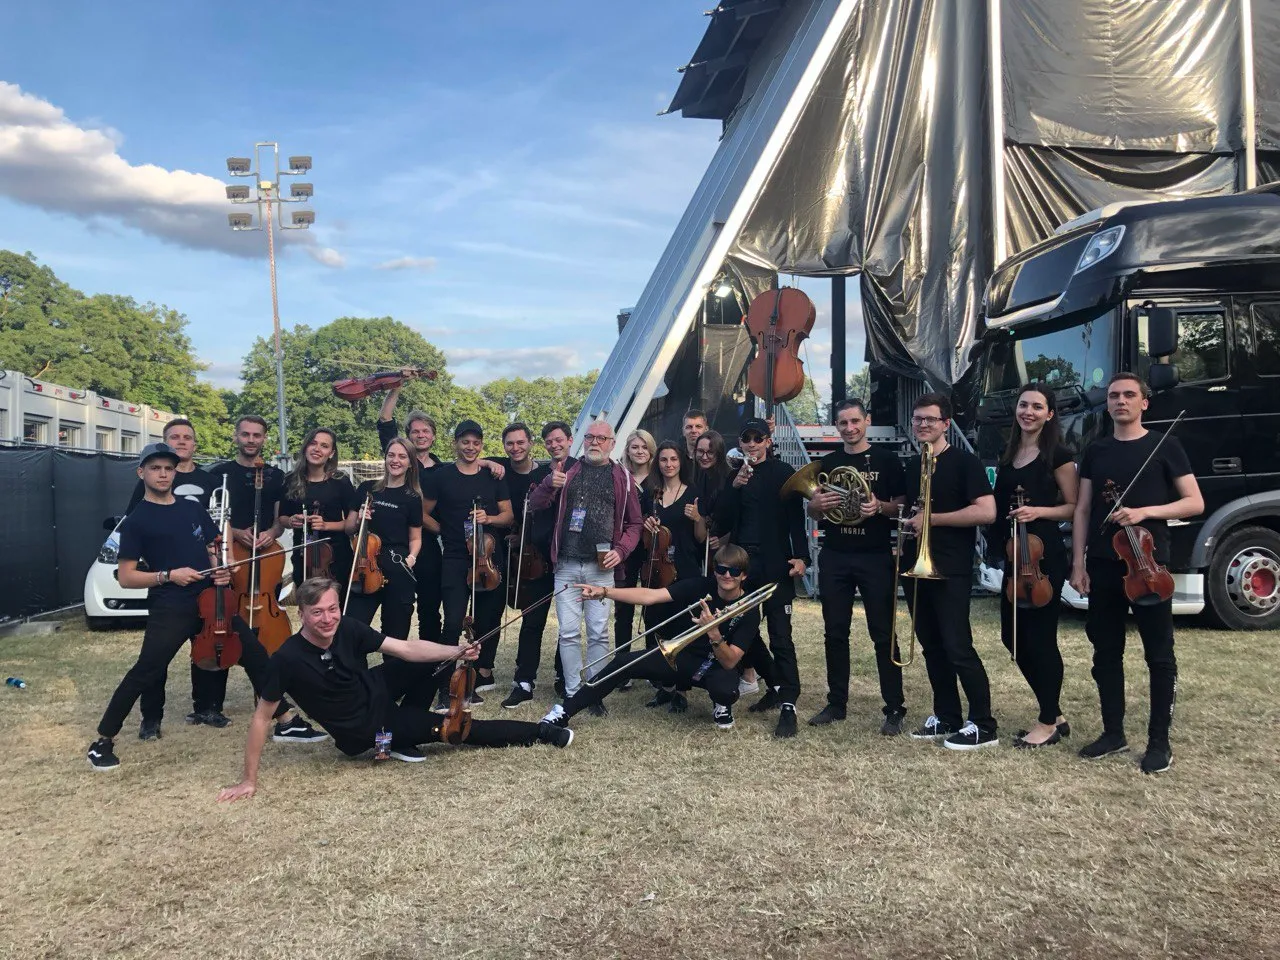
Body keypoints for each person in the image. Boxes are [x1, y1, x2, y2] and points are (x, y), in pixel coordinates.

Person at [215, 577, 573, 800]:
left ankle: (409, 726)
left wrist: (455, 651)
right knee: (459, 728)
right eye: (317, 612)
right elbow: (261, 719)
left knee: (431, 659)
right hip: (366, 727)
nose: (327, 619)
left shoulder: (347, 627)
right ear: (302, 614)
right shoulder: (287, 658)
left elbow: (404, 648)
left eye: (332, 609)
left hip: (372, 688)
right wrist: (248, 780)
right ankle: (542, 732)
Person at [87, 444, 322, 772]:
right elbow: (126, 577)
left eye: (168, 468)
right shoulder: (136, 520)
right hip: (172, 604)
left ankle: (286, 721)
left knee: (256, 655)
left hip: (212, 601)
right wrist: (168, 575)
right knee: (147, 670)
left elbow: (212, 545)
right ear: (141, 473)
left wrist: (220, 570)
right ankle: (103, 741)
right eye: (155, 468)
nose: (163, 474)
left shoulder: (191, 508)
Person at [1071, 372, 1202, 774]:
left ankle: (1159, 742)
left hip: (1148, 565)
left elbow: (1194, 502)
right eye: (1114, 395)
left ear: (1144, 402)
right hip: (1103, 564)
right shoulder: (1096, 450)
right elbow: (1083, 509)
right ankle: (1113, 733)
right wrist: (1078, 562)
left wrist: (1145, 512)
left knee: (1158, 655)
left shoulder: (1166, 445)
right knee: (1105, 652)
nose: (1120, 401)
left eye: (1129, 395)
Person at [541, 544, 762, 732]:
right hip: (683, 656)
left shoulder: (749, 610)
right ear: (715, 570)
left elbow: (730, 661)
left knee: (726, 691)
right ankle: (564, 712)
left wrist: (713, 632)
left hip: (717, 665)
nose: (727, 575)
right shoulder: (701, 586)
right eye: (722, 569)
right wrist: (605, 592)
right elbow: (651, 596)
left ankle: (721, 705)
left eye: (734, 571)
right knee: (622, 663)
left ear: (744, 575)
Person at [899, 392, 998, 751]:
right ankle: (947, 716)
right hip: (918, 566)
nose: (923, 424)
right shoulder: (915, 464)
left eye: (930, 419)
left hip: (951, 567)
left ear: (945, 423)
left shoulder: (964, 462)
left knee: (958, 647)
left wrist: (932, 519)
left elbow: (987, 511)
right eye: (918, 418)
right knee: (932, 646)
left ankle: (984, 724)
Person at [805, 399, 909, 735]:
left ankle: (894, 707)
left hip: (875, 555)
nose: (849, 428)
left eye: (855, 421)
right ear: (836, 426)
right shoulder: (828, 463)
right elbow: (815, 511)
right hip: (835, 554)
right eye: (843, 423)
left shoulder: (887, 459)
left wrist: (879, 507)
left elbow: (901, 506)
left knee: (883, 633)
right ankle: (836, 703)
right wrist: (815, 505)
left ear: (867, 420)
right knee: (835, 632)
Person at [529, 419, 642, 711]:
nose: (595, 442)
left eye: (601, 438)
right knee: (568, 633)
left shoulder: (623, 477)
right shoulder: (566, 470)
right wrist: (548, 485)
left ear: (612, 444)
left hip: (601, 568)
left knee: (598, 633)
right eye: (590, 437)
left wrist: (622, 550)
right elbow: (534, 505)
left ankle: (594, 693)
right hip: (566, 564)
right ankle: (572, 692)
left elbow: (635, 524)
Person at [377, 391, 505, 644]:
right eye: (415, 431)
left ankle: (431, 660)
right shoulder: (399, 460)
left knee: (430, 607)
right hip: (397, 544)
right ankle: (397, 659)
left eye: (426, 431)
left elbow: (467, 462)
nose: (421, 435)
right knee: (397, 608)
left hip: (430, 546)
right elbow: (385, 421)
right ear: (407, 436)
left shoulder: (441, 470)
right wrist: (396, 388)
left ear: (434, 436)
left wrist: (487, 463)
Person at [991, 384, 1078, 748]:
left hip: (1043, 556)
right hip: (1015, 554)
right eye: (1023, 405)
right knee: (1011, 637)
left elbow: (1074, 506)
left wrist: (1037, 511)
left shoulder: (1058, 454)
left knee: (1041, 640)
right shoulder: (1009, 452)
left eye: (1037, 407)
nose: (1028, 411)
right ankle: (1055, 714)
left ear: (1049, 414)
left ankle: (1046, 722)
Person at [124, 418, 220, 738]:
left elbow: (215, 531)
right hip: (169, 586)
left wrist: (218, 562)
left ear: (194, 444)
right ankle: (151, 718)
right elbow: (135, 527)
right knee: (157, 657)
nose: (181, 441)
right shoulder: (150, 482)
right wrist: (159, 571)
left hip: (203, 582)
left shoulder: (209, 480)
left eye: (186, 437)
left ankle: (207, 707)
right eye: (174, 437)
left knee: (207, 644)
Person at [713, 417, 807, 737]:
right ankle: (775, 685)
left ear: (768, 441)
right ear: (740, 443)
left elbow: (796, 519)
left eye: (758, 438)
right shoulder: (735, 475)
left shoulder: (783, 472)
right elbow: (722, 521)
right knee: (744, 632)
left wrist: (802, 557)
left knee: (781, 635)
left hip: (776, 565)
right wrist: (735, 488)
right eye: (746, 438)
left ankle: (788, 703)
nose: (752, 444)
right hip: (743, 566)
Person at [202, 415, 290, 728]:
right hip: (231, 553)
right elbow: (211, 517)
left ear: (264, 438)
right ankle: (211, 704)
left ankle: (267, 697)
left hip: (266, 555)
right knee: (223, 623)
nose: (251, 440)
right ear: (236, 436)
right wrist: (236, 533)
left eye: (257, 435)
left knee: (267, 627)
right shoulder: (219, 474)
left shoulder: (276, 476)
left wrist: (272, 533)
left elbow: (280, 519)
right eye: (246, 434)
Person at [420, 420, 513, 698]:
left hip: (488, 558)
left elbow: (508, 516)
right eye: (465, 442)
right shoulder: (441, 477)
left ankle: (470, 684)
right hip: (455, 558)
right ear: (455, 444)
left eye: (476, 442)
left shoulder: (493, 476)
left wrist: (490, 519)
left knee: (485, 622)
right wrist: (444, 530)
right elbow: (422, 513)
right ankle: (444, 687)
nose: (470, 447)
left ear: (481, 445)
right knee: (452, 622)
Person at [494, 422, 556, 709]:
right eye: (510, 443)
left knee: (568, 624)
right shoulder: (501, 469)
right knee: (532, 620)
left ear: (531, 443)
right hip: (527, 557)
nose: (516, 447)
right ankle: (524, 680)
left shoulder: (545, 473)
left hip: (556, 553)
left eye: (521, 442)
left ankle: (563, 677)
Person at [346, 438, 422, 654]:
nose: (395, 460)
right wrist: (360, 519)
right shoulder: (366, 488)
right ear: (385, 458)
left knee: (396, 634)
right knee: (352, 629)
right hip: (364, 568)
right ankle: (354, 673)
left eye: (402, 456)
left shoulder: (412, 497)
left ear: (410, 463)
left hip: (397, 569)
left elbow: (415, 538)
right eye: (391, 455)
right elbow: (349, 529)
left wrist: (411, 558)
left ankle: (392, 675)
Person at [278, 427, 358, 593]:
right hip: (302, 555)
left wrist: (326, 525)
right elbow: (282, 518)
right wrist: (291, 521)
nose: (317, 449)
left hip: (336, 556)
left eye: (324, 446)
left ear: (331, 453)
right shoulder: (290, 480)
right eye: (313, 443)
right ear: (305, 447)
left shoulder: (341, 481)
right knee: (307, 603)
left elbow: (351, 525)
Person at [613, 429, 657, 658]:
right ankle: (622, 662)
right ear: (628, 450)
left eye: (644, 447)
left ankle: (652, 661)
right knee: (623, 608)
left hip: (653, 548)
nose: (640, 451)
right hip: (626, 548)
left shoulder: (659, 477)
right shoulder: (619, 475)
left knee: (652, 608)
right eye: (635, 447)